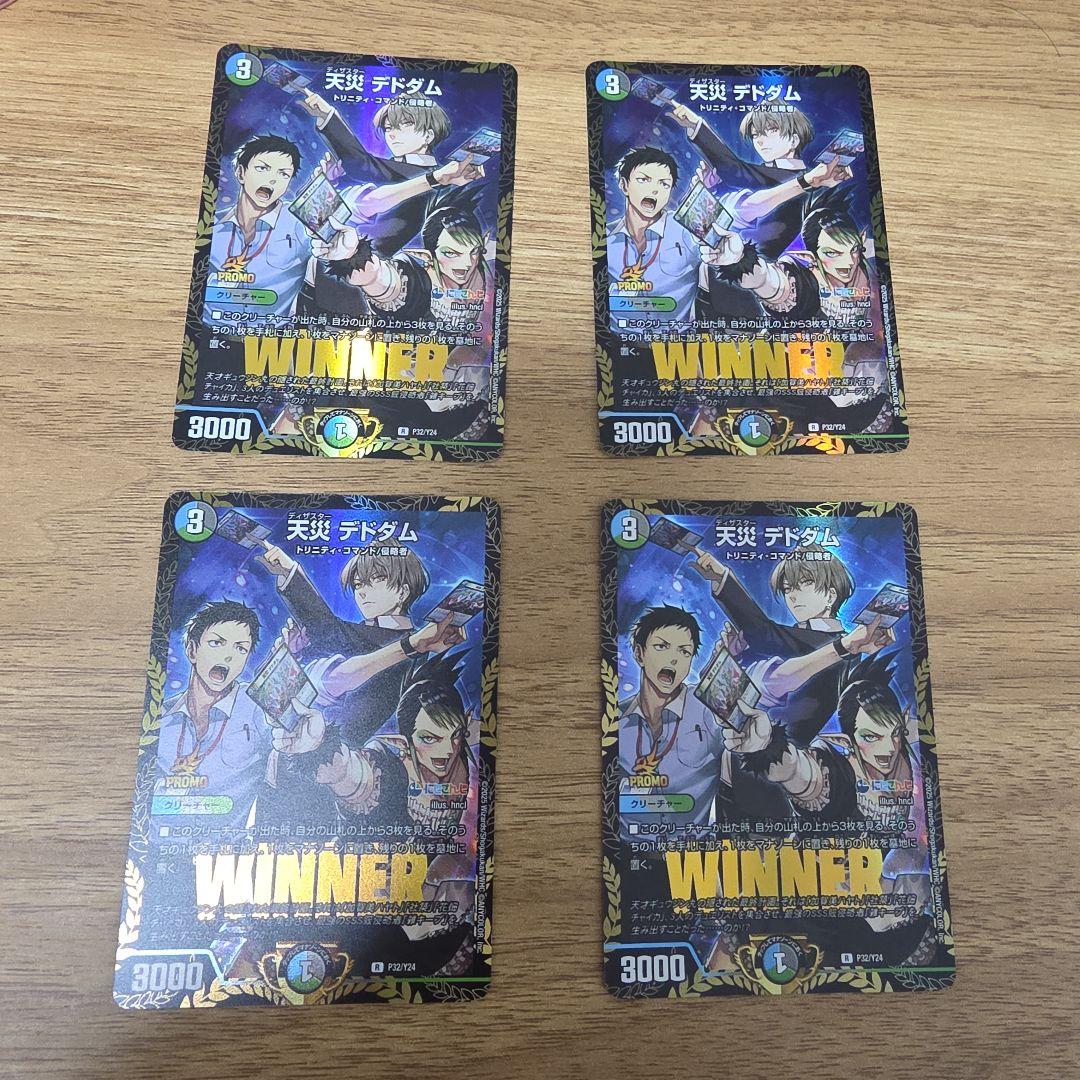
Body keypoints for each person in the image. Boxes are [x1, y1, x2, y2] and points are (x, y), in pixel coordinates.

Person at [722, 651, 934, 957]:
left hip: (861, 915)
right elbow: (800, 772)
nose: (887, 748)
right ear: (848, 739)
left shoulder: (909, 759)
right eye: (870, 737)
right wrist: (768, 747)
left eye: (894, 734)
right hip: (796, 906)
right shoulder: (835, 769)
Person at [690, 545, 892, 745]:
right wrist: (734, 656)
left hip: (784, 749)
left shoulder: (829, 642)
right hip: (748, 741)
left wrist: (723, 578)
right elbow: (733, 694)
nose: (793, 596)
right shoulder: (808, 641)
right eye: (788, 589)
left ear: (830, 596)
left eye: (805, 583)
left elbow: (764, 633)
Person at [298, 91, 483, 255]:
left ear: (428, 136)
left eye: (404, 125)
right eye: (388, 128)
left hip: (371, 262)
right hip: (340, 254)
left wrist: (328, 116)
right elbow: (322, 213)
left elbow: (363, 165)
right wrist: (331, 182)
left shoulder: (424, 174)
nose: (392, 134)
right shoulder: (409, 171)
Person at [154, 601, 270, 834]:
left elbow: (289, 746)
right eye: (217, 643)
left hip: (228, 850)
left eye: (240, 649)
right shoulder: (160, 718)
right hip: (164, 845)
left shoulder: (256, 705)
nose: (228, 656)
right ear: (192, 650)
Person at [203, 135, 315, 327]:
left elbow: (333, 249)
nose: (272, 179)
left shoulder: (298, 221)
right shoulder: (211, 226)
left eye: (283, 174)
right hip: (210, 334)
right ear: (241, 173)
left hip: (271, 338)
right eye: (262, 168)